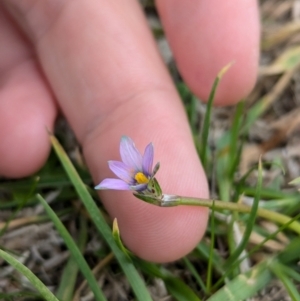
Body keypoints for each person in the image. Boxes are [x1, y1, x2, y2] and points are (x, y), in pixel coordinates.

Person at [0, 0, 259, 263]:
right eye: (140, 182)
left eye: (141, 181)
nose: (139, 179)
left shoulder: (143, 174)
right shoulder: (138, 178)